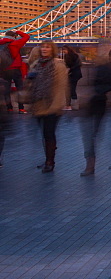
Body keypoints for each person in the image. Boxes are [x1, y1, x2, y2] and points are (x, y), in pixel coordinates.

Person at [27, 40, 69, 173]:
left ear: (52, 49)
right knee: (44, 134)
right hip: (38, 104)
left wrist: (56, 105)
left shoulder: (58, 65)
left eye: (47, 47)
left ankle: (50, 161)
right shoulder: (36, 64)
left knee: (49, 133)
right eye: (42, 47)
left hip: (52, 104)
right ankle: (47, 158)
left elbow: (61, 86)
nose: (44, 49)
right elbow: (30, 83)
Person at [80, 53, 111, 175]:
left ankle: (91, 165)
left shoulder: (103, 69)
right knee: (98, 135)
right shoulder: (104, 69)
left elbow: (106, 87)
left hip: (98, 104)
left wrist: (93, 94)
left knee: (92, 135)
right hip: (97, 104)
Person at [1, 29, 31, 113]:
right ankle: (21, 108)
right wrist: (18, 32)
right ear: (14, 37)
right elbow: (27, 36)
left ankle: (9, 108)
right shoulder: (15, 43)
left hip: (4, 70)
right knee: (19, 89)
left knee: (6, 90)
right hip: (15, 69)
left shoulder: (1, 43)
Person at [62, 44, 83, 111]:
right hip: (71, 74)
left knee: (71, 88)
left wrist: (69, 69)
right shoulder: (67, 56)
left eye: (64, 50)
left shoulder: (74, 56)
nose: (63, 51)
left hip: (74, 74)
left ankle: (72, 105)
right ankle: (70, 104)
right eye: (63, 50)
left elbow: (77, 65)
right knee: (69, 89)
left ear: (68, 49)